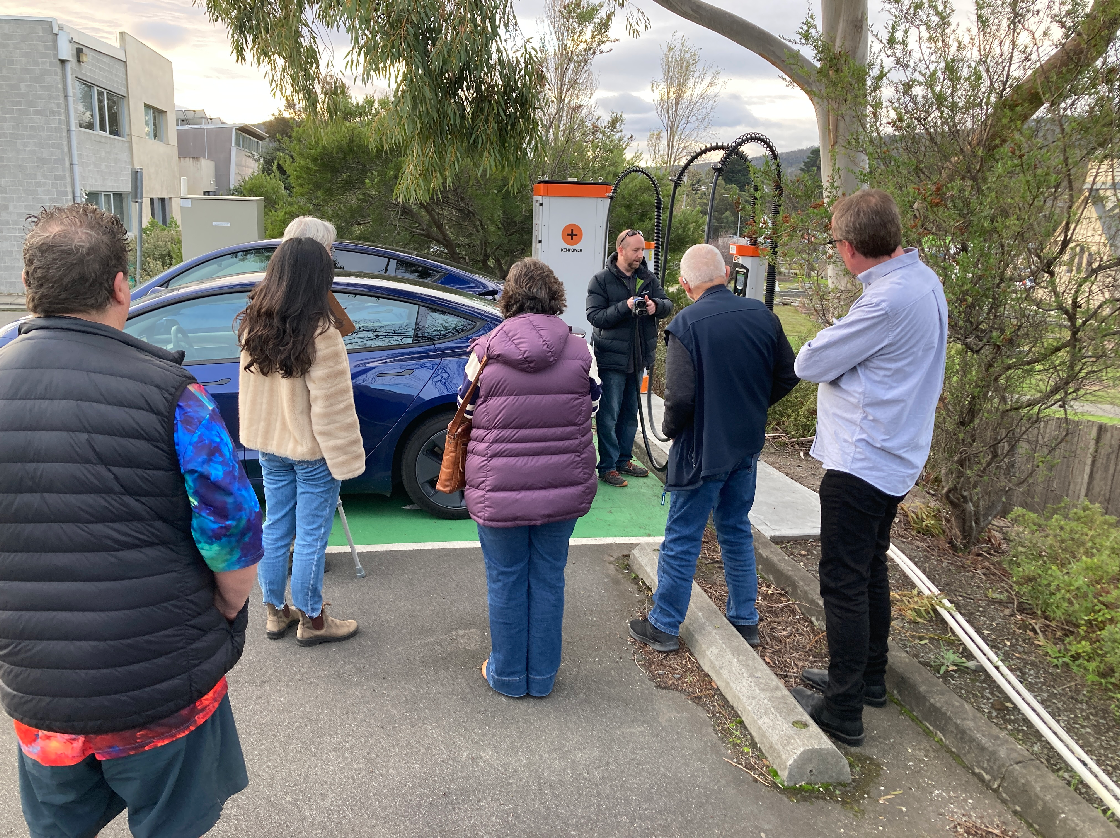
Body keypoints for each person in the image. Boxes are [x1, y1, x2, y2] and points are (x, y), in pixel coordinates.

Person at [0, 203, 262, 837]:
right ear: (121, 285)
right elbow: (231, 535)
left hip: (42, 693)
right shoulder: (175, 397)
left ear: (31, 289)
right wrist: (227, 608)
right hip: (164, 685)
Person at [790, 188, 948, 747]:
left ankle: (843, 706)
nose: (836, 251)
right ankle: (868, 678)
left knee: (843, 581)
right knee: (870, 569)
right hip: (895, 453)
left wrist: (836, 358)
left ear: (852, 247)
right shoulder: (923, 281)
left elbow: (810, 361)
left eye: (836, 242)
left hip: (862, 459)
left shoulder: (885, 302)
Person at [629, 243, 799, 654]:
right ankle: (745, 619)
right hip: (745, 446)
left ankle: (665, 624)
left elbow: (681, 400)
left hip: (700, 451)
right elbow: (788, 375)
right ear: (725, 272)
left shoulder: (686, 325)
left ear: (686, 285)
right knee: (736, 529)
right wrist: (752, 405)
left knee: (683, 535)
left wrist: (669, 432)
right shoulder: (763, 315)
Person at [460, 258, 600, 697]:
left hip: (497, 487)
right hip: (563, 484)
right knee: (548, 577)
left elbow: (463, 409)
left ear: (509, 297)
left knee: (505, 577)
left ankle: (505, 674)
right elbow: (592, 405)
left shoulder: (483, 352)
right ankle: (541, 678)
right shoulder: (582, 350)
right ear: (555, 297)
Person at [238, 237, 366, 646]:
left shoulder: (254, 324)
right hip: (312, 450)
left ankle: (275, 612)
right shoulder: (320, 332)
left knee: (275, 528)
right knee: (311, 535)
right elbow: (333, 409)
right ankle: (313, 621)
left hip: (269, 444)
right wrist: (344, 458)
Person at [586, 229, 672, 487]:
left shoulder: (648, 278)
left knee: (629, 413)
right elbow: (595, 317)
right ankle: (608, 466)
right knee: (609, 414)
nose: (640, 255)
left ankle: (624, 459)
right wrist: (625, 307)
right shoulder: (601, 280)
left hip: (639, 357)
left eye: (642, 250)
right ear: (620, 250)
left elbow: (668, 304)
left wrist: (656, 306)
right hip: (611, 359)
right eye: (635, 250)